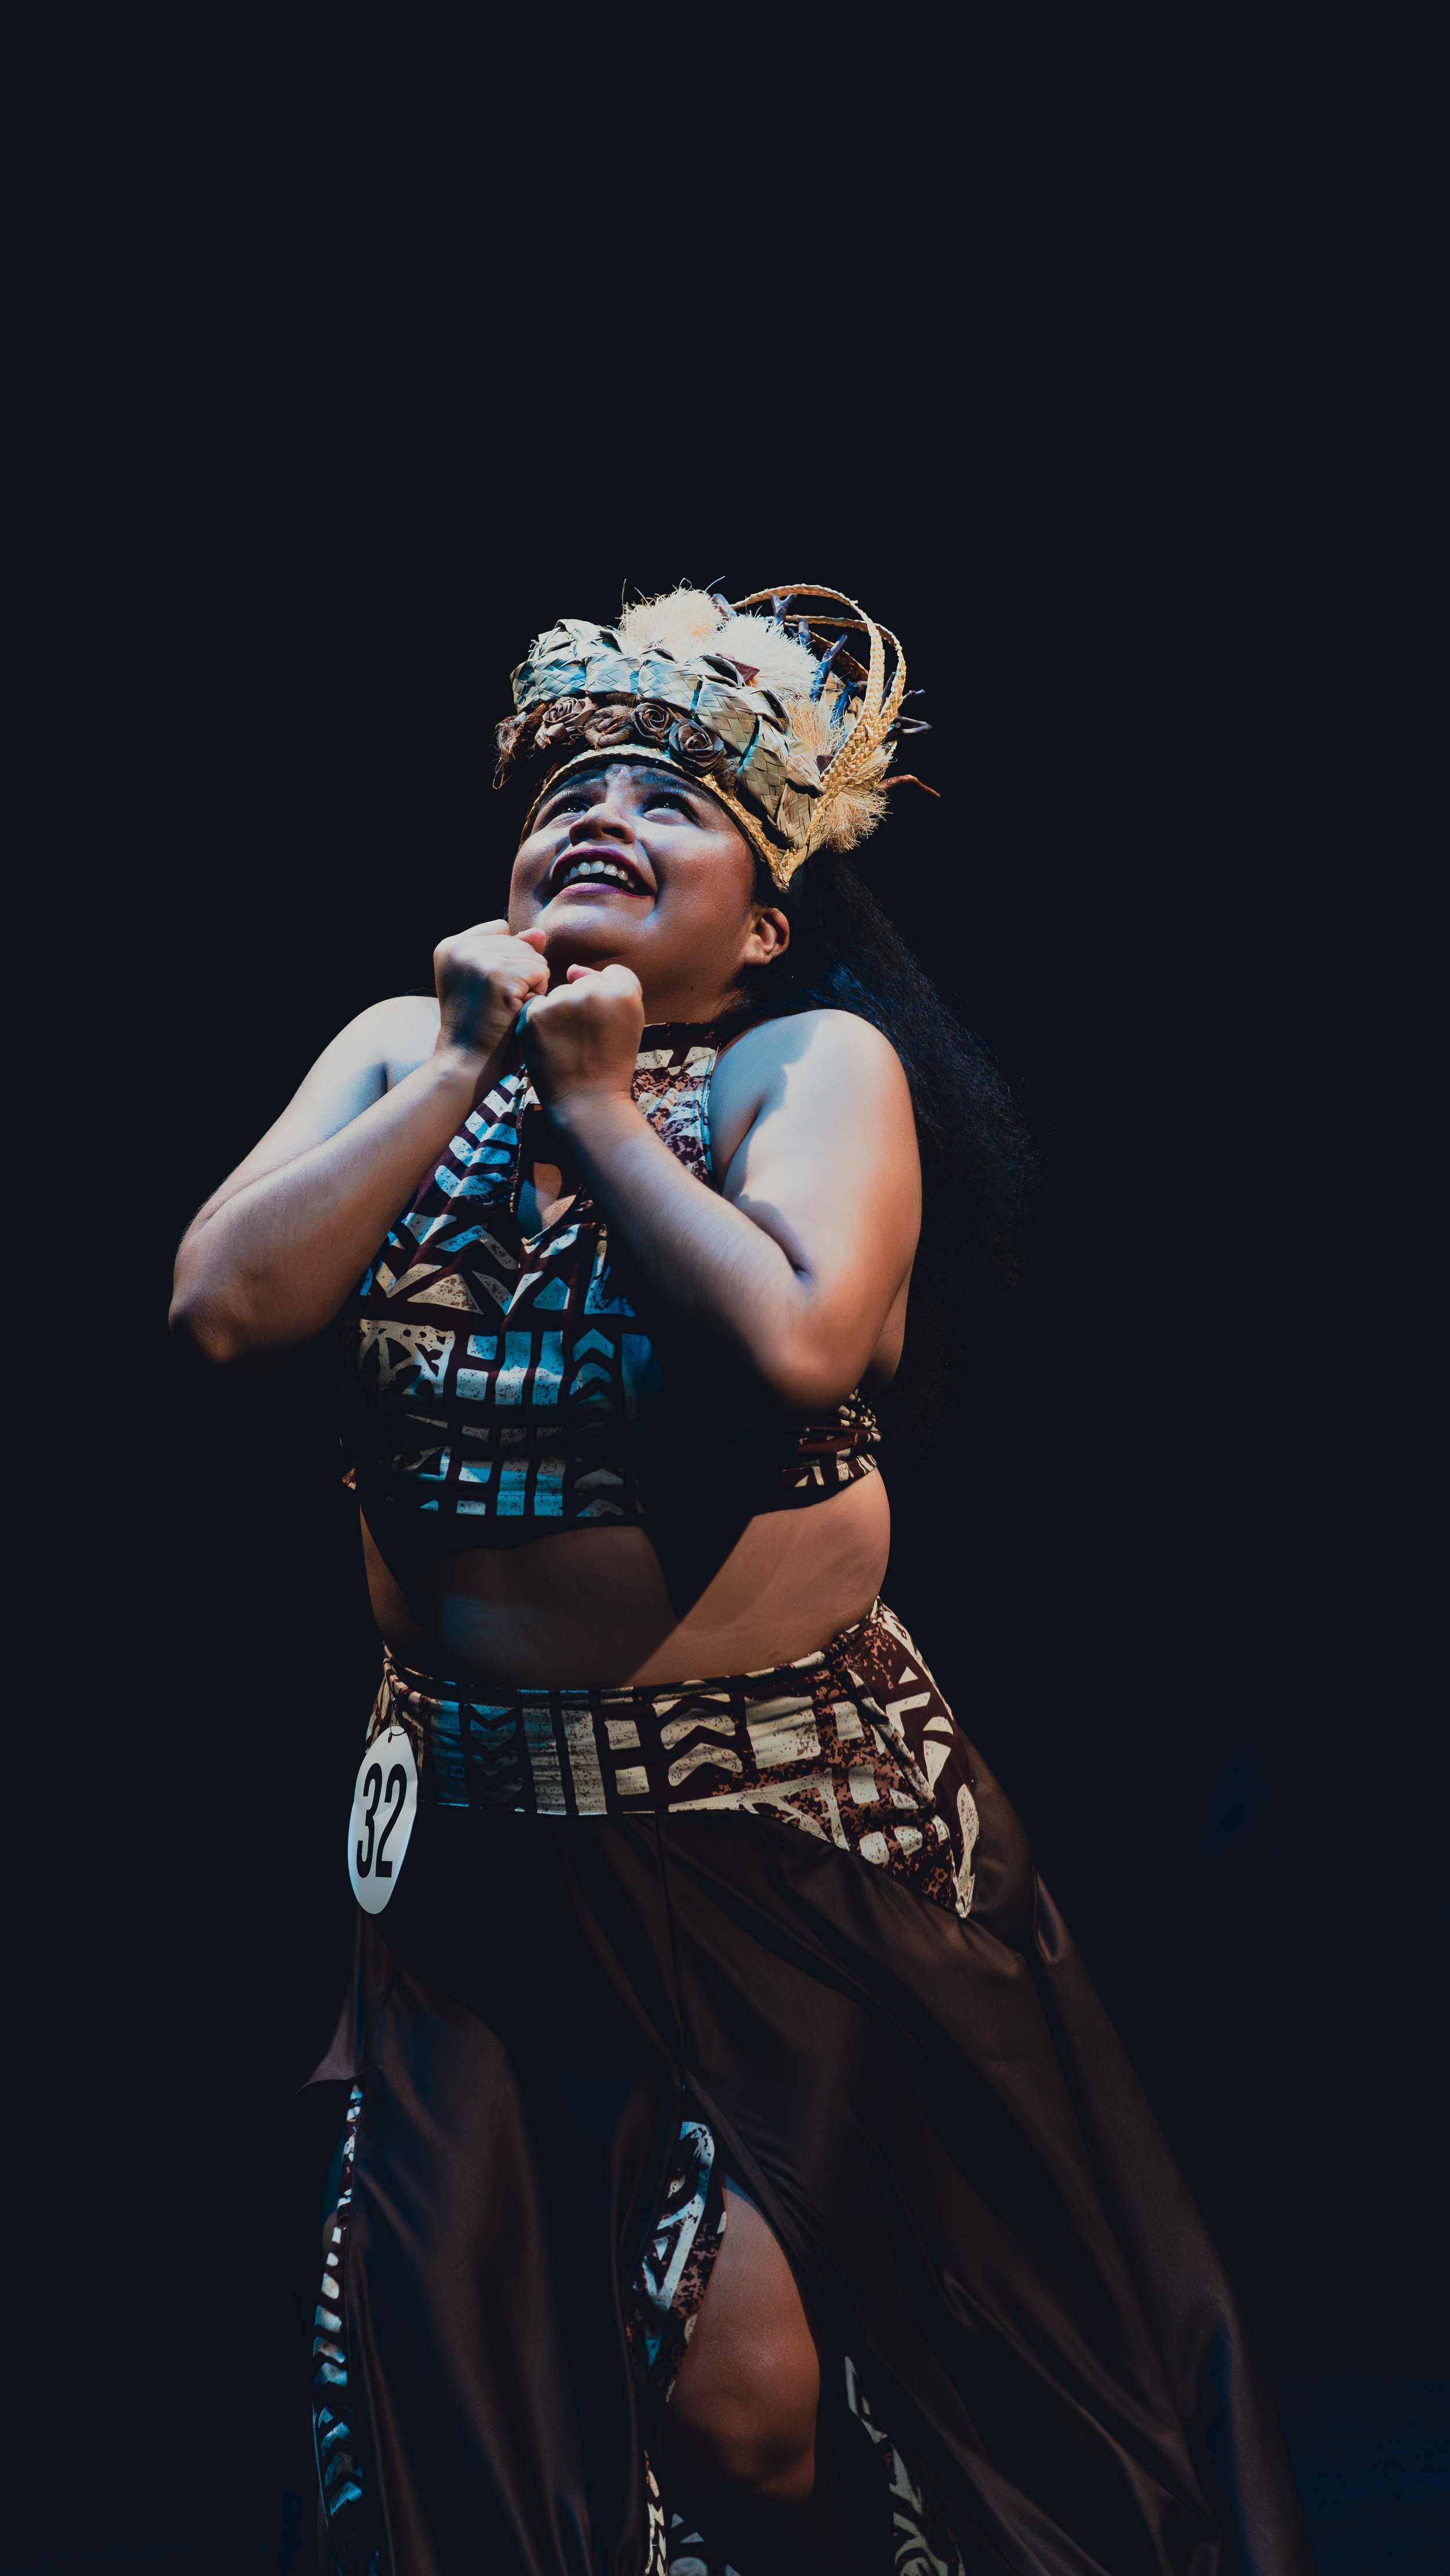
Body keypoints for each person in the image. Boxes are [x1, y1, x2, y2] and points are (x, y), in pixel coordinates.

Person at [172, 585, 1309, 2575]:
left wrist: (595, 1104)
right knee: (487, 2393)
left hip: (790, 1847)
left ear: (766, 921)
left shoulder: (814, 1064)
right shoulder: (399, 1047)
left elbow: (791, 1342)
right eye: (569, 795)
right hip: (480, 1864)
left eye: (669, 802)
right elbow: (221, 1309)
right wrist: (466, 1067)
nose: (601, 815)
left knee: (745, 2394)